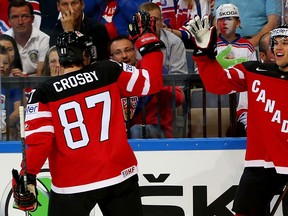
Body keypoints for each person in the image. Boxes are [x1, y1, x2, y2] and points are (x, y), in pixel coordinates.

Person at [12, 10, 165, 215]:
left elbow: (40, 143)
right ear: (85, 54)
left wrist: (27, 177)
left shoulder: (43, 93)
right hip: (118, 174)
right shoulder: (108, 70)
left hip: (71, 183)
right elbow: (151, 83)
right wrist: (149, 43)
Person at [183, 14, 288, 215]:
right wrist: (204, 55)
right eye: (276, 43)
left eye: (286, 43)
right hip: (261, 162)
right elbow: (217, 83)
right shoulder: (254, 71)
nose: (279, 48)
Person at [109, 35, 184, 138]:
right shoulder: (110, 77)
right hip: (123, 131)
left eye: (128, 50)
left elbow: (179, 98)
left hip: (156, 130)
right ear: (111, 58)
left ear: (135, 51)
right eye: (118, 52)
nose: (124, 55)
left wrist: (155, 85)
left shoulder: (151, 68)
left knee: (136, 131)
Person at [139, 2, 188, 74]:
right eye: (147, 21)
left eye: (155, 20)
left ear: (162, 21)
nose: (152, 24)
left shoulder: (174, 42)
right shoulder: (132, 42)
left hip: (166, 84)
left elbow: (179, 77)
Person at [4, 0, 50, 76]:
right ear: (9, 20)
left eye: (25, 16)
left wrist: (24, 79)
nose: (20, 22)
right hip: (9, 85)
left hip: (35, 86)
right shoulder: (2, 41)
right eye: (15, 17)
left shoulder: (43, 39)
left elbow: (41, 76)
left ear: (32, 19)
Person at [212, 0, 281, 47]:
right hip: (227, 42)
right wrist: (226, 43)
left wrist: (248, 45)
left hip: (257, 44)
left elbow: (273, 23)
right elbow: (217, 20)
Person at [0, 45, 21, 140]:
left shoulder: (13, 85)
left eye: (5, 63)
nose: (1, 66)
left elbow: (18, 111)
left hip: (8, 132)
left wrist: (5, 124)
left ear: (10, 65)